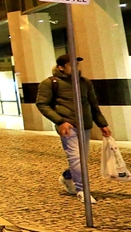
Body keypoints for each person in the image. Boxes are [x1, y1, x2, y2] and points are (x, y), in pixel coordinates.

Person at [36, 54, 112, 204]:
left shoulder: (84, 82)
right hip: (68, 126)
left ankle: (67, 176)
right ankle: (82, 190)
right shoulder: (50, 83)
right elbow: (42, 104)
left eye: (77, 65)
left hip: (85, 125)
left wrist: (102, 124)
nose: (76, 67)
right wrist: (60, 121)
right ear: (61, 67)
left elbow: (93, 105)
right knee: (76, 158)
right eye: (71, 65)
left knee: (82, 159)